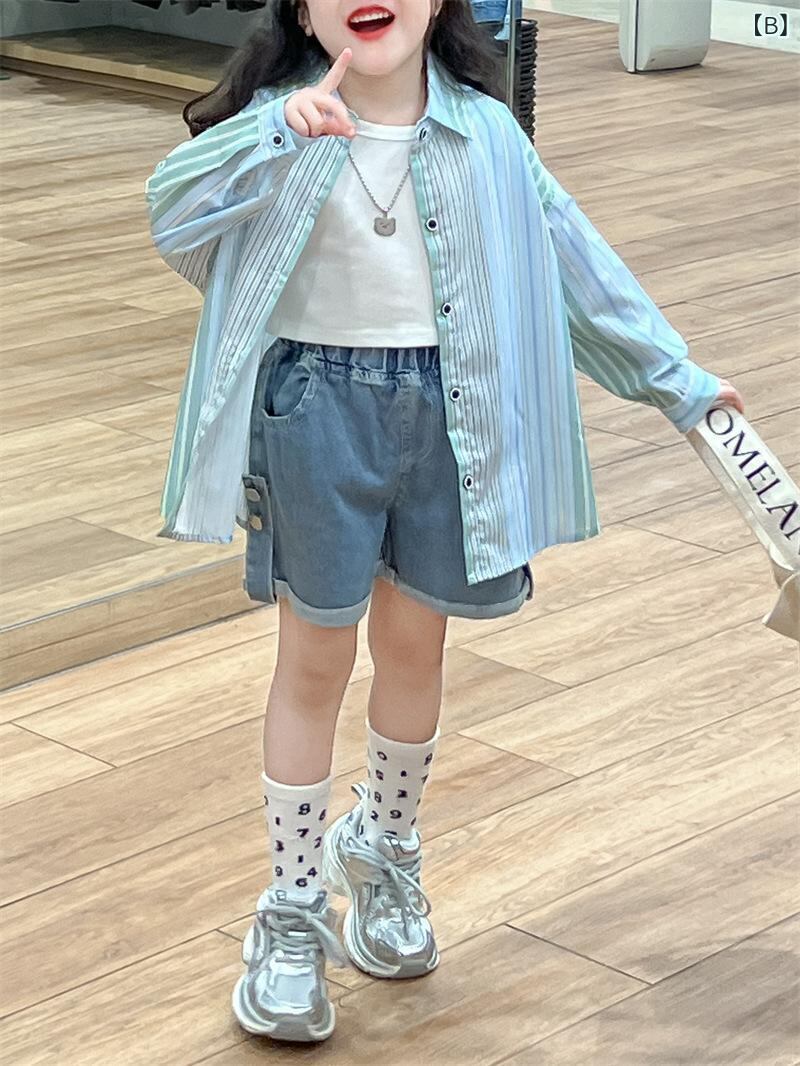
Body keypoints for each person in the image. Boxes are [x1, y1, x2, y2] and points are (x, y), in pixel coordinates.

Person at [144, 0, 745, 1044]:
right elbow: (172, 211)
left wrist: (677, 380)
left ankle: (383, 846)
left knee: (415, 646)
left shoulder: (488, 135)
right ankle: (292, 907)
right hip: (313, 413)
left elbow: (573, 259)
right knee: (313, 656)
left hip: (452, 412)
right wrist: (270, 132)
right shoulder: (281, 119)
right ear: (300, 10)